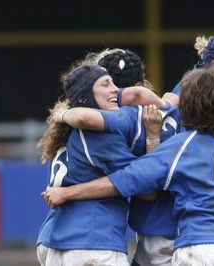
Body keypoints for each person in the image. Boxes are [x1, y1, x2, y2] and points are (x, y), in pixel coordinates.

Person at [43, 65, 214, 266]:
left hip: (200, 249)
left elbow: (126, 180)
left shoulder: (181, 147)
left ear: (189, 105)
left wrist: (67, 192)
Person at [36, 64, 162, 266]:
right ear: (84, 98)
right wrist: (153, 137)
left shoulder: (68, 128)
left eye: (113, 82)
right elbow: (146, 188)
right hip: (93, 242)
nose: (115, 89)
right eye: (106, 84)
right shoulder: (98, 133)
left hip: (57, 239)